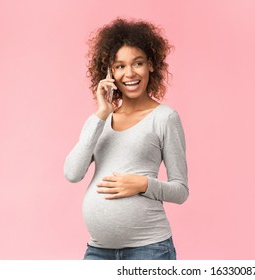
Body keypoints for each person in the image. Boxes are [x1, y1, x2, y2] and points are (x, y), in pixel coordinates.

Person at [64, 18, 188, 260]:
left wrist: (143, 185)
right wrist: (101, 113)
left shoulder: (165, 118)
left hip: (150, 249)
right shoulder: (100, 120)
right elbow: (72, 173)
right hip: (98, 250)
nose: (129, 73)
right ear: (109, 72)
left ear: (151, 65)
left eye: (137, 63)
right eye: (119, 66)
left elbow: (181, 191)